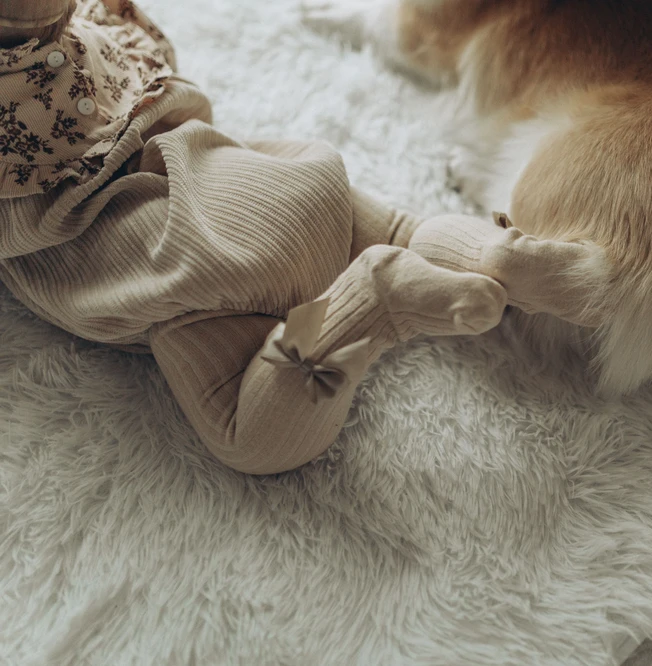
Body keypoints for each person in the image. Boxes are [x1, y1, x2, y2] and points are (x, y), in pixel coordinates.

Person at [0, 0, 599, 474]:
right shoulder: (82, 41)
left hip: (209, 267)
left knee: (256, 439)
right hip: (279, 184)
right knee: (397, 228)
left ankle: (373, 305)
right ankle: (496, 256)